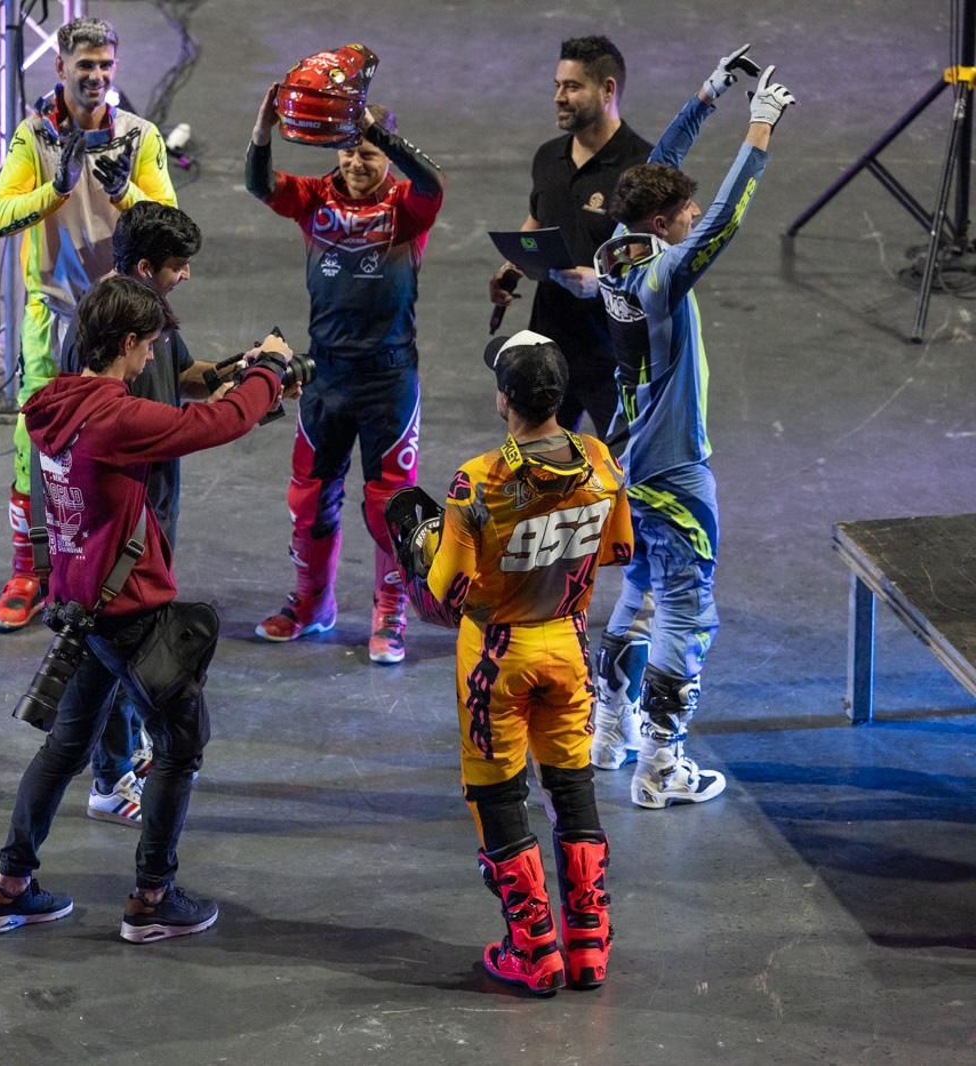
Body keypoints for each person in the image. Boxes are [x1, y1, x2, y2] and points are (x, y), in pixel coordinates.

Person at [0, 276, 295, 942]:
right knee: (181, 748)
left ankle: (8, 887)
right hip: (130, 612)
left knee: (65, 749)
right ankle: (152, 898)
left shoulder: (51, 404)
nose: (153, 359)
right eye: (149, 346)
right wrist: (268, 367)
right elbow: (223, 421)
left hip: (81, 607)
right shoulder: (117, 418)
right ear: (125, 343)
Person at [389, 330, 632, 995]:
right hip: (570, 645)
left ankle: (535, 950)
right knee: (572, 789)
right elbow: (617, 552)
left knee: (498, 797)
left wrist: (421, 544)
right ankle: (588, 946)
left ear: (505, 400)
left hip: (498, 656)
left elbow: (443, 594)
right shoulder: (602, 461)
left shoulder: (478, 480)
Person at [587, 53, 796, 806]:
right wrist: (760, 130)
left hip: (629, 459)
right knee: (685, 611)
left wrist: (707, 96)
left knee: (640, 593)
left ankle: (609, 735)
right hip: (674, 469)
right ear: (660, 224)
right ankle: (661, 769)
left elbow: (657, 165)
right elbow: (725, 220)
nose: (688, 216)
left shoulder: (617, 247)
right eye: (679, 214)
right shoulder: (663, 273)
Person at [0, 16, 177, 632]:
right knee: (31, 448)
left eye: (105, 66)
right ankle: (27, 574)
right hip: (52, 312)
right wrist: (55, 190)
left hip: (120, 321)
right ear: (60, 68)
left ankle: (131, 569)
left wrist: (127, 197)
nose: (95, 77)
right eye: (84, 66)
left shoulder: (140, 136)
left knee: (131, 450)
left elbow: (170, 223)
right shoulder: (32, 137)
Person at [247, 95, 445, 664]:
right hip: (326, 376)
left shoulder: (409, 207)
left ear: (386, 153)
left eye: (369, 153)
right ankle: (312, 606)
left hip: (389, 381)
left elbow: (434, 183)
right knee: (308, 500)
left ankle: (390, 614)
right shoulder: (314, 199)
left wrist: (379, 134)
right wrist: (263, 132)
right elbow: (260, 186)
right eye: (349, 152)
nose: (358, 164)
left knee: (391, 507)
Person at [54, 202, 227, 829]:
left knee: (127, 650)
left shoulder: (148, 318)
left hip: (152, 514)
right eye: (178, 267)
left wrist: (239, 379)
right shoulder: (102, 328)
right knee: (122, 649)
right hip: (122, 521)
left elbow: (182, 379)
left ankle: (121, 758)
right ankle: (111, 774)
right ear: (146, 267)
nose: (186, 276)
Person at [487, 36, 652, 439]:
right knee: (539, 471)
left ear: (607, 89)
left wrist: (604, 281)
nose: (559, 97)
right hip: (548, 348)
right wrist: (513, 266)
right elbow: (537, 218)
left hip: (613, 355)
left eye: (572, 87)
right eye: (557, 86)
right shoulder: (548, 157)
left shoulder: (643, 166)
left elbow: (661, 256)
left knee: (626, 471)